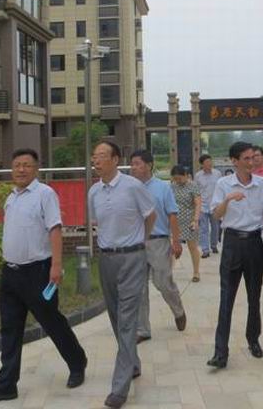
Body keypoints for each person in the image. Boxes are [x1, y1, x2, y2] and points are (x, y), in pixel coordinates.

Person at [0, 149, 87, 405]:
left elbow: (55, 229)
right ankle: (6, 385)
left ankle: (77, 362)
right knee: (9, 329)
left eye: (26, 165)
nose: (21, 169)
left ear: (36, 168)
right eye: (17, 165)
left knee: (52, 322)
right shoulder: (11, 197)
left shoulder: (44, 194)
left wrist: (56, 265)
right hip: (10, 273)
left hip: (38, 271)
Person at [89, 141, 157, 409]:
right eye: (94, 156)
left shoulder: (133, 187)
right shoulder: (94, 191)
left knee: (128, 320)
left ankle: (120, 387)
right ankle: (134, 363)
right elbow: (97, 223)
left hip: (132, 258)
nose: (96, 161)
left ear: (116, 160)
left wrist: (140, 241)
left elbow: (150, 216)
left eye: (102, 156)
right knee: (116, 316)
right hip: (106, 259)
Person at [207, 141, 263, 369]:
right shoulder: (223, 184)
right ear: (234, 161)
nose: (251, 162)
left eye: (253, 157)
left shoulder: (262, 184)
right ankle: (220, 352)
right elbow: (216, 215)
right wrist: (227, 200)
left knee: (254, 295)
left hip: (254, 242)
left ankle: (253, 339)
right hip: (232, 243)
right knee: (227, 298)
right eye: (246, 158)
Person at [131, 151, 187, 344]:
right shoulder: (129, 187)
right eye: (132, 164)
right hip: (135, 243)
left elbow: (172, 214)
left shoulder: (163, 188)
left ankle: (178, 310)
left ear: (149, 165)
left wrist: (176, 241)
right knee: (138, 287)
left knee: (162, 282)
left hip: (158, 241)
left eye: (137, 163)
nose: (133, 167)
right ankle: (143, 329)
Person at [170, 164, 202, 282]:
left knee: (192, 247)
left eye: (179, 178)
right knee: (172, 247)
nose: (177, 181)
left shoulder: (193, 186)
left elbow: (198, 204)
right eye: (175, 178)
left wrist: (195, 220)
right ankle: (169, 272)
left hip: (189, 221)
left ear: (186, 175)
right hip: (174, 221)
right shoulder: (172, 186)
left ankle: (196, 272)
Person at [195, 154, 221, 257]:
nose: (209, 164)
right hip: (202, 206)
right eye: (207, 162)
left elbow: (221, 189)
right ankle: (205, 250)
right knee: (203, 229)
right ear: (202, 164)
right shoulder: (198, 176)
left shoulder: (217, 173)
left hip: (215, 205)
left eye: (210, 161)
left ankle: (214, 245)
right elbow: (196, 191)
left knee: (215, 227)